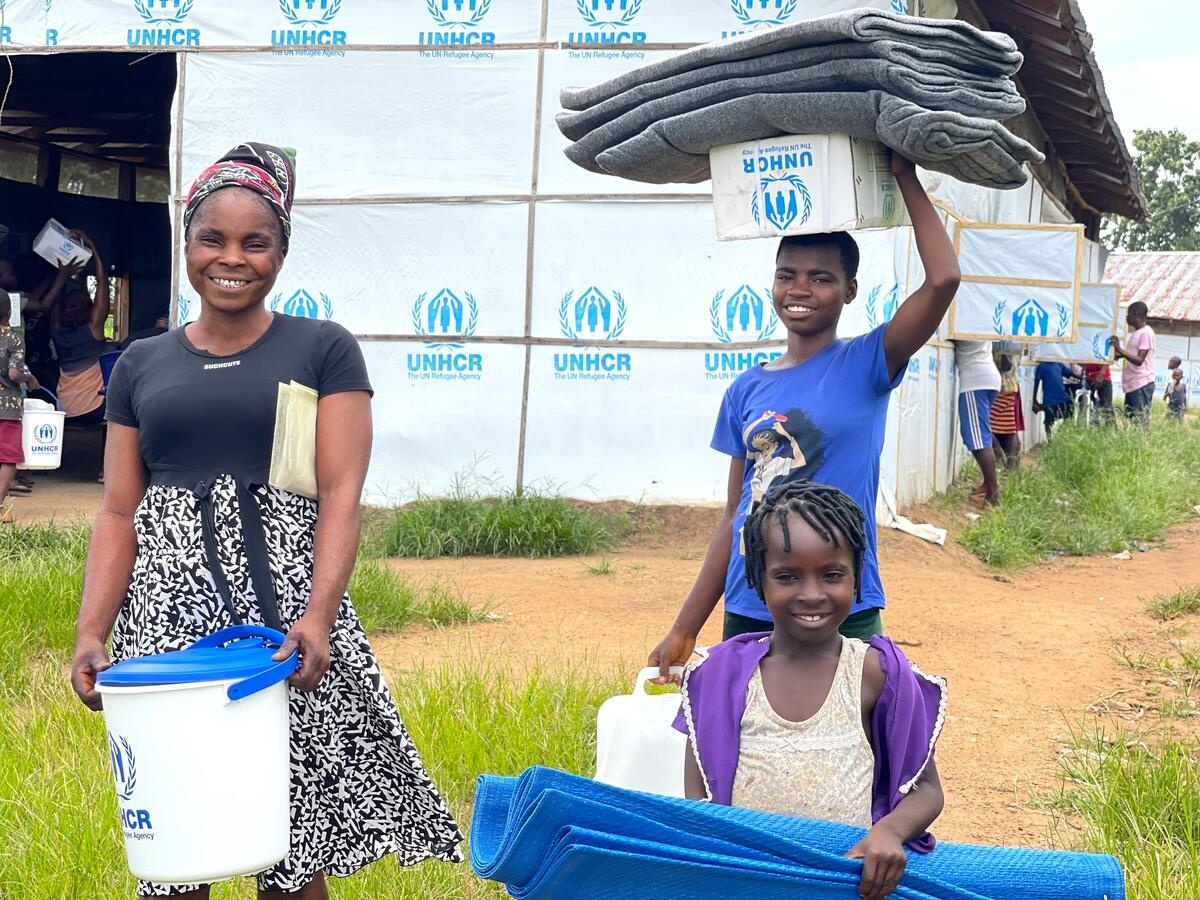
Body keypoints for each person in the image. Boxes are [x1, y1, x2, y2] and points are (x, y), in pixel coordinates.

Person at [69, 142, 463, 899]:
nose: (233, 258)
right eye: (213, 238)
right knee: (180, 834)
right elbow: (119, 510)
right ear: (186, 243)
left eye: (257, 242)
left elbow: (341, 494)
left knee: (289, 842)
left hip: (282, 621)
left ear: (281, 252)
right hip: (168, 625)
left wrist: (318, 615)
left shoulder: (320, 348)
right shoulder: (143, 363)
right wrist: (93, 631)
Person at [648, 153, 960, 675]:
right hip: (752, 603)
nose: (800, 290)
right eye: (787, 275)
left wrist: (905, 176)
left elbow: (943, 280)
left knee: (857, 739)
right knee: (745, 747)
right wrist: (685, 627)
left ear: (850, 291)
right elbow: (734, 515)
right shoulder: (746, 389)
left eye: (821, 278)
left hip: (841, 601)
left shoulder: (868, 362)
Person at [674, 480, 945, 900]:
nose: (812, 594)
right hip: (749, 882)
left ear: (856, 578)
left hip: (846, 883)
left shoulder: (876, 673)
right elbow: (700, 799)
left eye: (832, 575)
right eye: (787, 576)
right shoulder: (722, 678)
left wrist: (889, 833)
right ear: (758, 580)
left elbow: (926, 790)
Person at [0, 293, 39, 523]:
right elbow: (14, 374)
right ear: (10, 313)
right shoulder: (13, 339)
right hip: (7, 409)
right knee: (8, 458)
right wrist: (30, 379)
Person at [953, 340, 1001, 506]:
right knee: (979, 434)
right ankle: (988, 485)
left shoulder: (966, 318)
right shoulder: (980, 318)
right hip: (988, 377)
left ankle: (993, 496)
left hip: (975, 380)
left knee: (978, 440)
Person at [1109, 301, 1156, 426]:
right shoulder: (1137, 333)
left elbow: (1139, 360)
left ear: (1136, 314)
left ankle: (1143, 445)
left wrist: (1120, 350)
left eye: (1128, 314)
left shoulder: (1146, 332)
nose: (1126, 317)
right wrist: (1117, 352)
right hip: (1133, 384)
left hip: (1141, 383)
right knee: (1131, 421)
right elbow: (1129, 357)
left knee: (1140, 422)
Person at [989, 343, 1022, 469]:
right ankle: (1010, 466)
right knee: (1008, 428)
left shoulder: (1005, 336)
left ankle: (1007, 464)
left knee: (1002, 428)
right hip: (1009, 386)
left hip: (1001, 387)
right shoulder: (1017, 333)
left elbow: (1006, 365)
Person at [1032, 360, 1074, 438]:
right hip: (1049, 399)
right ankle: (1050, 442)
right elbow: (1036, 382)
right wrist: (1034, 400)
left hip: (1062, 397)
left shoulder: (1059, 363)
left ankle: (1060, 434)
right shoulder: (1042, 366)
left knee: (1070, 414)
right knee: (1048, 422)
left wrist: (1080, 376)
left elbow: (1069, 373)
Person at [1081, 361, 1114, 426]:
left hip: (1104, 377)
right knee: (1088, 406)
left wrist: (1102, 372)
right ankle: (1095, 425)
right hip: (1088, 377)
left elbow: (1109, 354)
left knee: (1107, 408)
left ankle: (1110, 430)